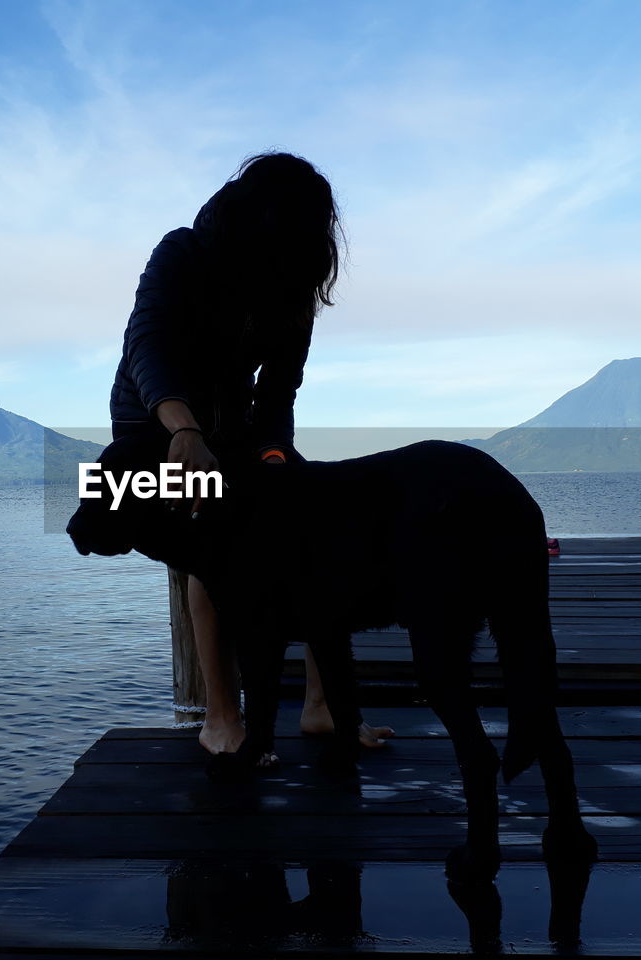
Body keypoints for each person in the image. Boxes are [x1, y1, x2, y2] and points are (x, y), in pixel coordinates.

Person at [109, 152, 393, 756]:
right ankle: (221, 719)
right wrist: (183, 429)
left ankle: (323, 709)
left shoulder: (292, 285)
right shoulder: (182, 253)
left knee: (313, 527)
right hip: (153, 417)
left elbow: (280, 388)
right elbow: (147, 347)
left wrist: (274, 457)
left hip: (234, 424)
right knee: (209, 537)